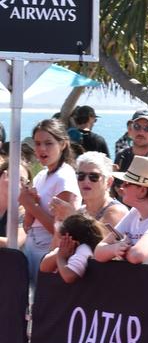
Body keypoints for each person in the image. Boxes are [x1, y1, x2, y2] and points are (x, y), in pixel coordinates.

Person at [19, 119, 81, 283]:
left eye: (48, 143)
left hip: (48, 249)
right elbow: (28, 223)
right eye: (38, 143)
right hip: (33, 244)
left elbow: (61, 230)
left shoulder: (64, 178)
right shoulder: (42, 175)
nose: (41, 149)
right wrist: (31, 205)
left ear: (63, 144)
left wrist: (30, 205)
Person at [94, 156, 148, 266]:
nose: (121, 187)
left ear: (142, 190)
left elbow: (137, 255)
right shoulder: (134, 212)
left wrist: (120, 250)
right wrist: (115, 249)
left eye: (127, 183)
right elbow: (98, 252)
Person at [51, 152, 127, 230]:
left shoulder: (116, 211)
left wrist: (71, 217)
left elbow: (99, 239)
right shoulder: (81, 211)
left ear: (109, 182)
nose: (86, 181)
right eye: (81, 176)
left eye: (94, 177)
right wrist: (60, 221)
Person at [39, 212, 106, 282]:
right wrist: (59, 254)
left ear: (71, 240)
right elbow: (43, 267)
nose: (59, 242)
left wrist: (61, 258)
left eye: (62, 239)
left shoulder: (84, 249)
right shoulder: (65, 250)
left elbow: (69, 276)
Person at [114, 108, 148, 172]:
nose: (141, 132)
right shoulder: (121, 157)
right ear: (130, 128)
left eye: (147, 128)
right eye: (137, 126)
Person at [0, 157, 29, 248]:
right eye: (13, 176)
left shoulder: (22, 212)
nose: (18, 184)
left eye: (22, 180)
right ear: (2, 175)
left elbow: (15, 243)